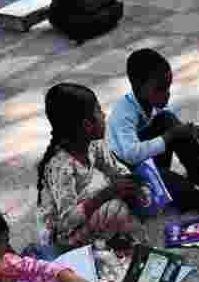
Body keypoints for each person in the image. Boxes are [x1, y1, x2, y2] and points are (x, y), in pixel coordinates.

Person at [107, 48, 199, 214]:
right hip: (129, 175)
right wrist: (170, 136)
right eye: (160, 89)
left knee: (168, 119)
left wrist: (189, 132)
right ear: (137, 86)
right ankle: (195, 197)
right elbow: (131, 154)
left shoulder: (151, 102)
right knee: (171, 179)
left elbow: (170, 126)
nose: (167, 95)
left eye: (168, 87)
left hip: (152, 162)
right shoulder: (124, 114)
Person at [36, 83, 149, 264]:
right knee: (114, 207)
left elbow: (116, 169)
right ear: (88, 125)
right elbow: (66, 221)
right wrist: (107, 194)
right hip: (62, 236)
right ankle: (127, 250)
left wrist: (133, 184)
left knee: (131, 193)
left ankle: (111, 241)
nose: (104, 116)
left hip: (83, 216)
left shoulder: (93, 145)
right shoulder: (60, 166)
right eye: (99, 112)